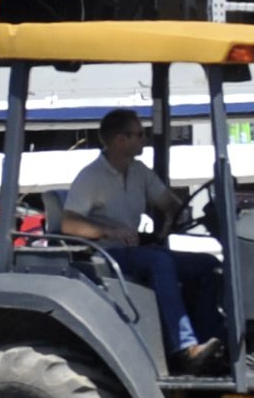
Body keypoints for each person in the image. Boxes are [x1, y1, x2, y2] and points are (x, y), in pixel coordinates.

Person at [53, 108, 225, 370]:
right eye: (139, 134)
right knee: (159, 263)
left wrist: (171, 218)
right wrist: (109, 231)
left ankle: (212, 343)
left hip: (134, 251)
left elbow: (170, 203)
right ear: (121, 140)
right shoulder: (91, 177)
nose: (144, 140)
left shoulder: (139, 171)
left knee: (207, 264)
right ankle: (184, 347)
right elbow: (69, 223)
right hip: (105, 255)